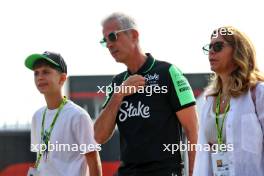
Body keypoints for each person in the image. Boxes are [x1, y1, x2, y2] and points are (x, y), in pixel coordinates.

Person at [94, 12, 198, 176]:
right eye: (104, 40)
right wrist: (119, 95)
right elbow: (98, 136)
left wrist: (194, 173)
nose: (109, 44)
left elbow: (193, 130)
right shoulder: (117, 82)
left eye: (112, 37)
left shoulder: (168, 72)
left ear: (134, 35)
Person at [193, 26, 264, 176]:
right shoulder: (209, 101)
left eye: (218, 46)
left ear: (239, 51)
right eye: (209, 47)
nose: (211, 51)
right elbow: (202, 157)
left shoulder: (257, 92)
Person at [25, 51, 102, 176]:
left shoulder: (78, 116)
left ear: (62, 78)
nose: (39, 77)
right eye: (36, 73)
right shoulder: (37, 116)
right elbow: (42, 159)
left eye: (46, 72)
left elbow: (93, 161)